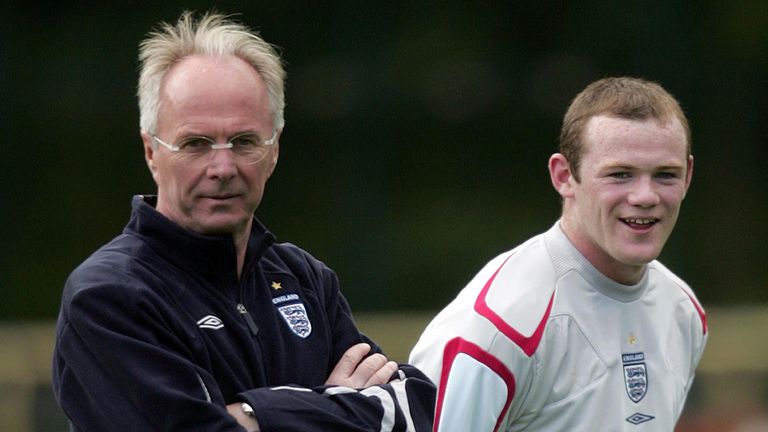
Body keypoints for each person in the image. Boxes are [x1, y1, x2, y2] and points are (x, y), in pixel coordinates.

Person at [52, 11, 434, 432]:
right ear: (150, 151)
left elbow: (415, 406)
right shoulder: (111, 296)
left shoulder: (303, 279)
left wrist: (256, 415)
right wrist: (335, 407)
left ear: (274, 149)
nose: (223, 166)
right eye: (195, 143)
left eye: (244, 141)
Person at [409, 77, 707, 431]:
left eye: (665, 175)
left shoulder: (683, 311)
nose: (645, 195)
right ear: (564, 176)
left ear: (688, 176)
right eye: (620, 174)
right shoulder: (499, 330)